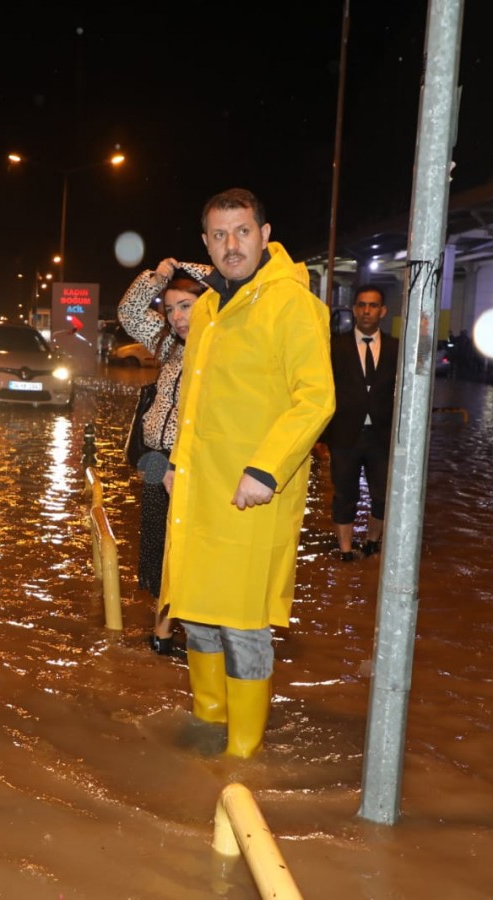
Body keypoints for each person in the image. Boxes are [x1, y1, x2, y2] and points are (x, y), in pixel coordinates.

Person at [161, 188, 335, 758]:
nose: (231, 244)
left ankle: (242, 754)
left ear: (264, 234)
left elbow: (315, 399)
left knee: (243, 622)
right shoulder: (209, 307)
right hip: (200, 488)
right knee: (196, 613)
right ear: (205, 242)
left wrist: (265, 469)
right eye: (219, 234)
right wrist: (178, 462)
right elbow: (194, 398)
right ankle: (207, 722)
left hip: (253, 493)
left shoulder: (292, 304)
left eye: (241, 231)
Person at [116, 257, 211, 656]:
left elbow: (236, 285)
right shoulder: (170, 343)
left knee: (186, 547)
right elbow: (128, 312)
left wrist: (192, 268)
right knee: (157, 544)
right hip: (153, 456)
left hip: (192, 462)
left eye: (185, 306)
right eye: (170, 309)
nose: (176, 317)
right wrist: (159, 277)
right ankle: (164, 628)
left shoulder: (221, 346)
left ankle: (167, 632)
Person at [321, 284, 398, 561]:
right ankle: (345, 550)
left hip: (382, 434)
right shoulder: (334, 345)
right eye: (362, 305)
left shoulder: (395, 348)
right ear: (354, 309)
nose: (367, 311)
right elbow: (322, 389)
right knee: (344, 493)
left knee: (383, 495)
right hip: (344, 434)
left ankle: (372, 542)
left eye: (373, 305)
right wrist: (323, 435)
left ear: (383, 311)